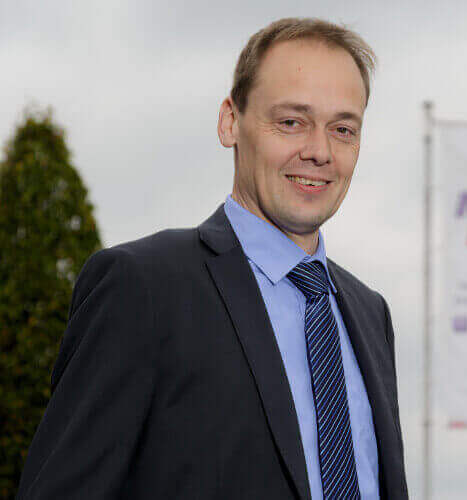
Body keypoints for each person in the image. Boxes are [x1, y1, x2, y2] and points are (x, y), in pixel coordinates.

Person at [18, 18, 407, 500]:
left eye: (343, 128)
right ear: (230, 122)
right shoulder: (142, 288)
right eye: (291, 122)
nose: (319, 151)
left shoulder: (371, 316)